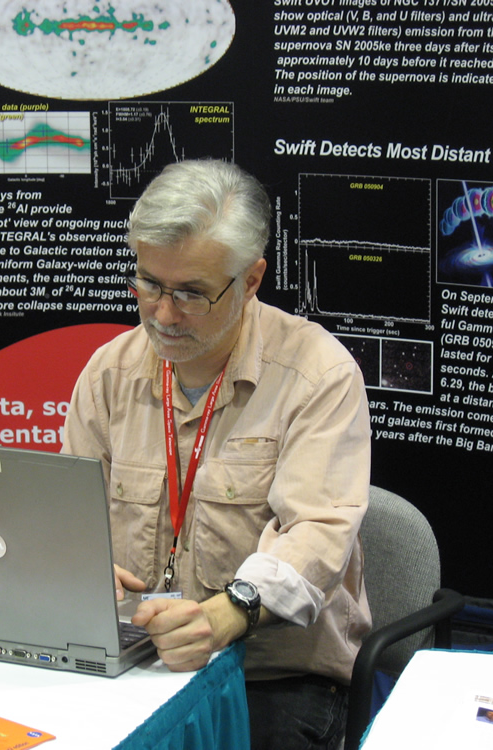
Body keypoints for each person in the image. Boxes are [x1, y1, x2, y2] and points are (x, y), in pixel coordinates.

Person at [61, 160, 371, 750]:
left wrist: (228, 614)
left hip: (272, 675)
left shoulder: (317, 375)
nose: (163, 314)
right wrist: (78, 568)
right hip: (137, 660)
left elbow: (317, 534)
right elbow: (68, 518)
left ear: (251, 280)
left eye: (191, 293)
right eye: (149, 283)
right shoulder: (109, 373)